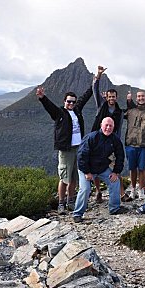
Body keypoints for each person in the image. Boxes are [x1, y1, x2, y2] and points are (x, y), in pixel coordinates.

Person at [36, 79, 93, 214]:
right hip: (66, 150)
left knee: (73, 177)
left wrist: (95, 80)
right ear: (64, 102)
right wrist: (42, 98)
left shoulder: (77, 110)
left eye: (73, 101)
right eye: (69, 101)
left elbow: (85, 96)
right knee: (64, 178)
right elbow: (50, 107)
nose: (71, 103)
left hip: (78, 148)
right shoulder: (60, 113)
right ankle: (61, 203)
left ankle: (70, 202)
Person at [73, 117, 127, 223]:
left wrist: (116, 172)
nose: (108, 128)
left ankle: (114, 208)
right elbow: (81, 156)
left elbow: (120, 156)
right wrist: (87, 172)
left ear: (113, 127)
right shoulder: (91, 137)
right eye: (106, 125)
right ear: (101, 125)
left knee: (115, 182)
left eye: (110, 126)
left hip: (102, 168)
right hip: (86, 169)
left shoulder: (115, 139)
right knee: (85, 189)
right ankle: (78, 213)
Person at [90, 66, 128, 203]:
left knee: (115, 167)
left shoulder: (120, 112)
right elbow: (95, 89)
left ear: (117, 98)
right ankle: (99, 192)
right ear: (106, 97)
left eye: (113, 97)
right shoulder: (101, 105)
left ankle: (122, 194)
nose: (111, 98)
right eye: (109, 96)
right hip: (97, 141)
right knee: (95, 166)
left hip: (112, 143)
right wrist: (99, 75)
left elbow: (118, 129)